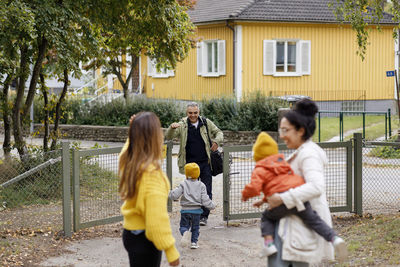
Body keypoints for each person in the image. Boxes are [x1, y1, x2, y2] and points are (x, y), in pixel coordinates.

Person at [266, 99, 348, 266]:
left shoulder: (309, 154)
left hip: (302, 230)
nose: (281, 136)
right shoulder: (302, 152)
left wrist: (281, 198)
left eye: (285, 130)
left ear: (300, 131)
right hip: (293, 227)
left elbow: (316, 186)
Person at [241, 132, 347, 260]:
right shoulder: (283, 163)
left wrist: (245, 195)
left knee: (267, 218)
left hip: (281, 204)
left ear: (257, 155)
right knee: (314, 220)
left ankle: (269, 244)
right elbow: (281, 185)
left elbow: (255, 187)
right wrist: (263, 200)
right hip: (297, 198)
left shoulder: (260, 168)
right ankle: (333, 238)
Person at [118, 112, 179, 267]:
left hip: (131, 233)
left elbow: (126, 152)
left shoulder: (130, 163)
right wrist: (171, 251)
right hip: (144, 239)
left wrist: (133, 132)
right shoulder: (151, 174)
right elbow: (156, 220)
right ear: (154, 137)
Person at [165, 102, 223, 226]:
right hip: (190, 166)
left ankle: (204, 216)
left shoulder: (206, 122)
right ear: (187, 113)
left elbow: (219, 132)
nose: (193, 115)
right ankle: (192, 214)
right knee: (191, 191)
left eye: (195, 113)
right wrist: (171, 127)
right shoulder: (182, 125)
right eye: (190, 113)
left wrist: (217, 142)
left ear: (199, 112)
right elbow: (168, 136)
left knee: (207, 189)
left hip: (205, 163)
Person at [169, 162, 216, 249]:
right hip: (197, 211)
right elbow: (205, 199)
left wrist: (169, 193)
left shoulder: (183, 183)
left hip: (185, 211)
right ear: (198, 174)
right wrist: (212, 205)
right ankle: (194, 243)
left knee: (183, 226)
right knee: (195, 228)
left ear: (186, 174)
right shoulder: (201, 185)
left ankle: (185, 233)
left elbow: (175, 195)